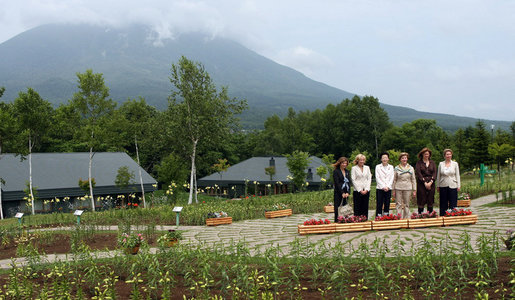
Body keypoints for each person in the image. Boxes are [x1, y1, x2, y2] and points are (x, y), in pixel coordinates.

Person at [437, 149, 461, 216]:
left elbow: (457, 175)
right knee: (443, 202)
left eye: (450, 154)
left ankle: (453, 216)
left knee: (453, 202)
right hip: (443, 184)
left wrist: (458, 185)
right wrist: (438, 185)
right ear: (444, 155)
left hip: (453, 184)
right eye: (447, 154)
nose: (448, 156)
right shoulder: (441, 164)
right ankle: (443, 216)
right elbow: (438, 175)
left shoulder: (455, 164)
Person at [393, 152, 417, 219]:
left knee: (407, 204)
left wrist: (414, 190)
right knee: (398, 204)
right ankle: (398, 218)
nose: (404, 159)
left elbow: (413, 179)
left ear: (407, 159)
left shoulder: (411, 168)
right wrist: (393, 190)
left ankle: (406, 219)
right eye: (403, 158)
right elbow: (394, 180)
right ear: (400, 159)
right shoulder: (396, 168)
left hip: (408, 188)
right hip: (398, 187)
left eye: (405, 158)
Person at [415, 147, 437, 214]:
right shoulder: (419, 163)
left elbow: (435, 173)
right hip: (421, 184)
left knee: (430, 199)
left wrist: (431, 182)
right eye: (425, 154)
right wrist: (424, 182)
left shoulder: (432, 163)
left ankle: (430, 215)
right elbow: (418, 173)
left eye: (427, 154)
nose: (426, 155)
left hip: (431, 183)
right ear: (422, 155)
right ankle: (420, 215)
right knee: (422, 199)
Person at [351, 154, 371, 220]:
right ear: (357, 160)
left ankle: (365, 221)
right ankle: (357, 221)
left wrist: (367, 189)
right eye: (360, 160)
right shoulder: (354, 168)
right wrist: (359, 190)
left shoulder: (367, 168)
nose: (362, 161)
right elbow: (353, 179)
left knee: (365, 207)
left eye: (363, 160)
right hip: (357, 191)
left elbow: (369, 179)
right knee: (357, 207)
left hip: (366, 190)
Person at [332, 157, 352, 222]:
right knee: (338, 207)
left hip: (346, 192)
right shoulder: (336, 171)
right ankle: (337, 221)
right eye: (343, 163)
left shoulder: (347, 171)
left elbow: (349, 182)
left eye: (346, 163)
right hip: (338, 192)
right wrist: (342, 193)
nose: (344, 165)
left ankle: (345, 220)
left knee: (345, 208)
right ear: (340, 163)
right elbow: (337, 183)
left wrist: (348, 192)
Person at [375, 152, 394, 217]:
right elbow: (377, 178)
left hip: (388, 188)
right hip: (380, 188)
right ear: (381, 159)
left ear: (388, 159)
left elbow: (392, 177)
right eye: (383, 158)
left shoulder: (391, 167)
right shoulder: (377, 167)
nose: (384, 159)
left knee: (387, 203)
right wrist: (383, 186)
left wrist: (388, 186)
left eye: (386, 158)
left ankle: (386, 216)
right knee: (379, 203)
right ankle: (378, 216)